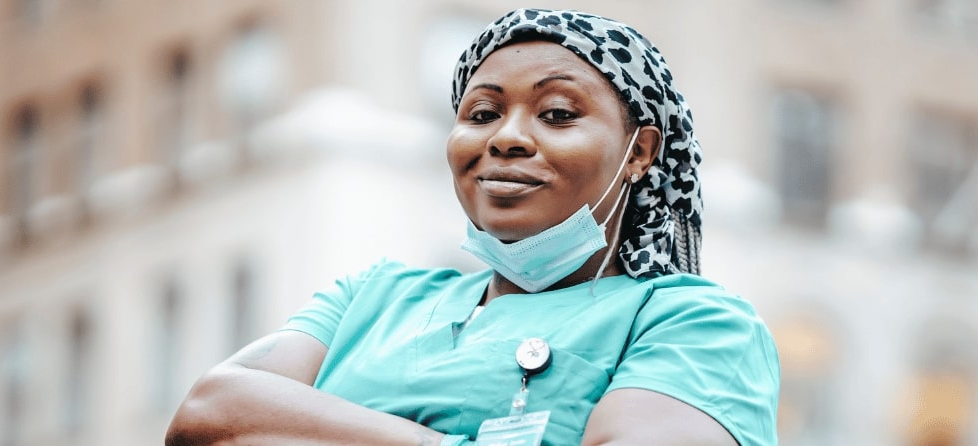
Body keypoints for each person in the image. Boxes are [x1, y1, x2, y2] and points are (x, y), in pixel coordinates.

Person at [166, 8, 780, 446]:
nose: (506, 138)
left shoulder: (693, 324)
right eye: (481, 112)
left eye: (558, 113)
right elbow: (208, 411)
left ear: (640, 152)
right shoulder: (372, 298)